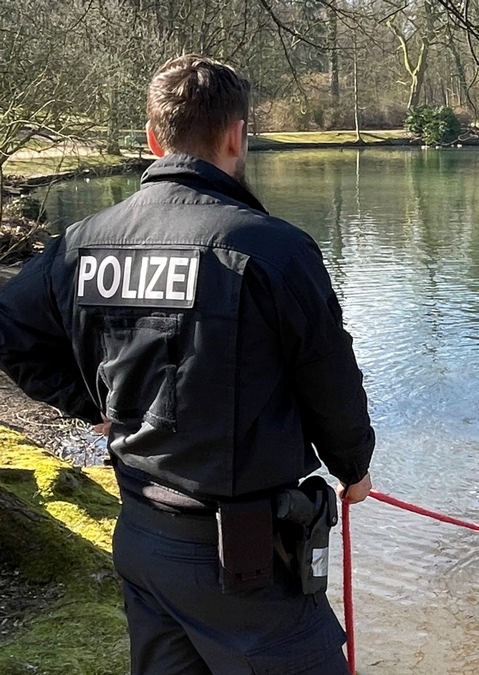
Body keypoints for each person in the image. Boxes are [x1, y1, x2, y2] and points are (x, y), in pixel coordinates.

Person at [0, 55, 374, 674]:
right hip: (244, 567)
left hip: (143, 536)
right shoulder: (271, 249)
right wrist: (353, 468)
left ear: (153, 138)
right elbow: (330, 379)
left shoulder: (81, 244)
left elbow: (10, 330)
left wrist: (89, 405)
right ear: (236, 134)